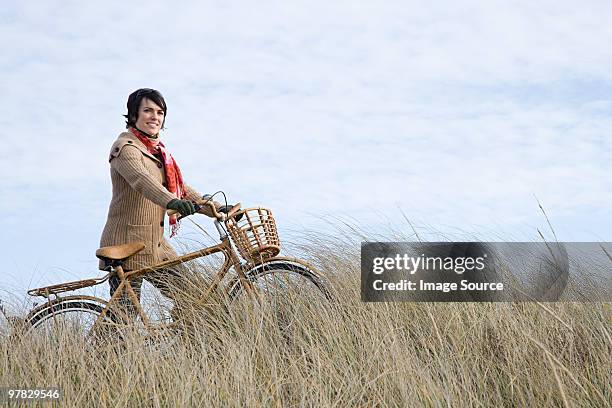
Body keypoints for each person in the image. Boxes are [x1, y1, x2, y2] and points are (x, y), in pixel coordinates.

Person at [98, 88, 218, 318]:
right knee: (123, 318)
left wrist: (210, 207)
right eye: (148, 110)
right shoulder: (125, 148)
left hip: (155, 243)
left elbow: (178, 188)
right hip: (126, 245)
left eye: (160, 112)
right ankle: (98, 354)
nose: (155, 117)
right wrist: (172, 201)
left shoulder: (156, 152)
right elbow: (142, 181)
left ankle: (182, 342)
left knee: (194, 295)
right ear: (134, 115)